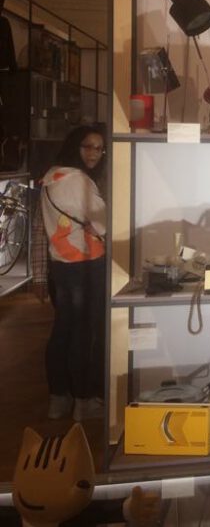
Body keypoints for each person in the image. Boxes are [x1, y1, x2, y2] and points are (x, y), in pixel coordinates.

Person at [40, 125, 107, 422]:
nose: (94, 153)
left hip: (60, 264)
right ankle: (84, 400)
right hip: (86, 263)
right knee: (85, 332)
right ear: (74, 146)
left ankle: (58, 398)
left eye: (99, 148)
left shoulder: (51, 176)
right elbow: (104, 222)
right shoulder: (79, 181)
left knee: (63, 329)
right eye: (88, 146)